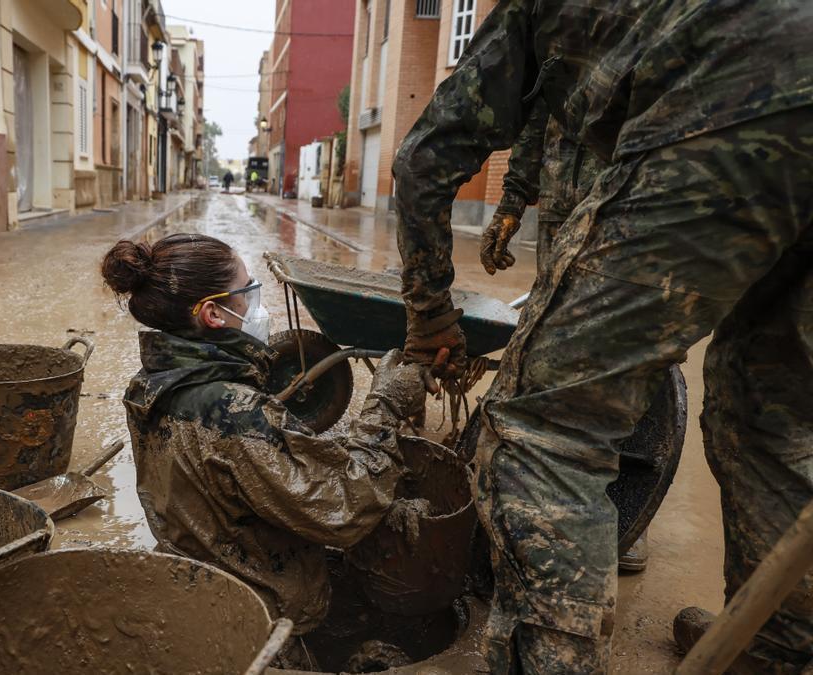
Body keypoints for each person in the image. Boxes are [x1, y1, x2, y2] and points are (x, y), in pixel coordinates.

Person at [392, 0, 813, 672]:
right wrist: (517, 192)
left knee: (546, 429)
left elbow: (423, 158)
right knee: (773, 415)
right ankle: (771, 649)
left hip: (731, 96)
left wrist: (429, 314)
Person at [100, 233, 427, 638]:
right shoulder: (237, 415)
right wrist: (385, 406)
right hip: (262, 614)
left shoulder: (146, 384)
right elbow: (343, 510)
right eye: (248, 292)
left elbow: (235, 472)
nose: (259, 306)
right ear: (213, 315)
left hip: (195, 583)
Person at [483, 100, 651, 574]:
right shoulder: (563, 33)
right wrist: (513, 201)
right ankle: (548, 497)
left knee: (628, 358)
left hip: (631, 210)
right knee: (552, 349)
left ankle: (629, 508)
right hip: (561, 211)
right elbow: (538, 114)